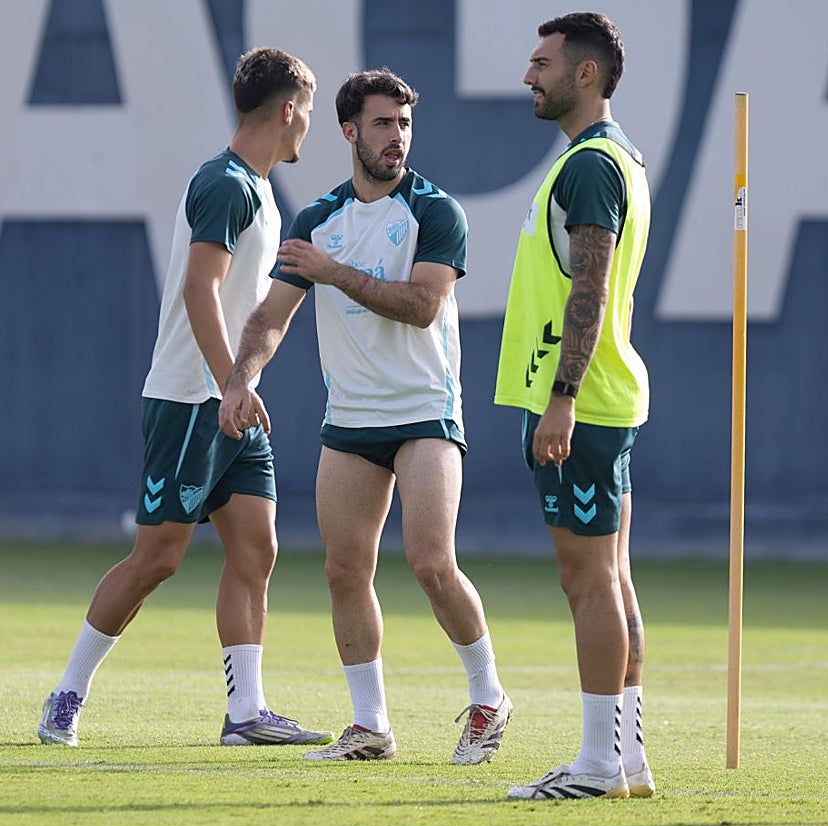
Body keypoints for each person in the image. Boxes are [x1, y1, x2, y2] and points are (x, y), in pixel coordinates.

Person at [38, 48, 332, 748]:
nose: (309, 127)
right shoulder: (225, 184)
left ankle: (244, 714)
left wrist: (239, 386)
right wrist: (232, 381)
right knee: (158, 559)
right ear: (288, 108)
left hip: (231, 400)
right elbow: (201, 288)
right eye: (310, 111)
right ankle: (65, 696)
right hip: (189, 398)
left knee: (256, 549)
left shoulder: (257, 188)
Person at [219, 68, 511, 764]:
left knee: (431, 562)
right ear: (349, 132)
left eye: (405, 124)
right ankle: (371, 724)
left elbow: (423, 306)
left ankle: (489, 697)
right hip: (350, 422)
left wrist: (334, 273)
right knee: (344, 570)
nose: (397, 138)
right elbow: (271, 317)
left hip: (424, 415)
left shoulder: (436, 212)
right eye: (383, 124)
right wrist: (239, 378)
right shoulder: (318, 220)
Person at [495, 13, 653, 800]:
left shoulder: (592, 167)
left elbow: (589, 288)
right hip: (595, 400)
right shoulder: (605, 160)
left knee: (587, 579)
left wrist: (559, 398)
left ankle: (596, 766)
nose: (530, 76)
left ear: (584, 74)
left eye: (542, 62)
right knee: (612, 577)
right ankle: (627, 758)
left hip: (579, 405)